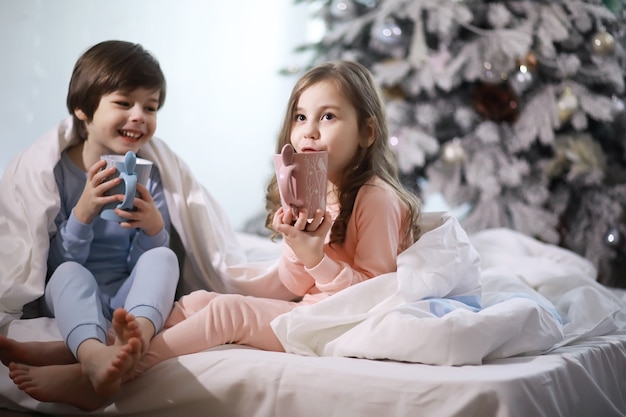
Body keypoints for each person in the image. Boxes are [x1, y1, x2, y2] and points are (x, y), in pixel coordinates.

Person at [3, 60, 420, 410]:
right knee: (197, 302)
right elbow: (296, 285)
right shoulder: (323, 191)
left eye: (327, 116)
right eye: (300, 116)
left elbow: (372, 296)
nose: (309, 130)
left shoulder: (375, 199)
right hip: (321, 311)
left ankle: (99, 379)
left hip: (340, 324)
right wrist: (297, 248)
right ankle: (77, 348)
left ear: (367, 132)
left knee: (227, 314)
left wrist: (315, 258)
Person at [2, 40, 179, 408]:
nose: (139, 115)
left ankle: (134, 342)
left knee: (165, 259)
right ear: (83, 109)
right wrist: (82, 213)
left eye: (150, 106)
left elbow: (146, 264)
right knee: (67, 272)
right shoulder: (56, 173)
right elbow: (48, 264)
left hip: (124, 295)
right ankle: (92, 354)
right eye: (123, 102)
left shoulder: (150, 174)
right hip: (73, 293)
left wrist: (152, 228)